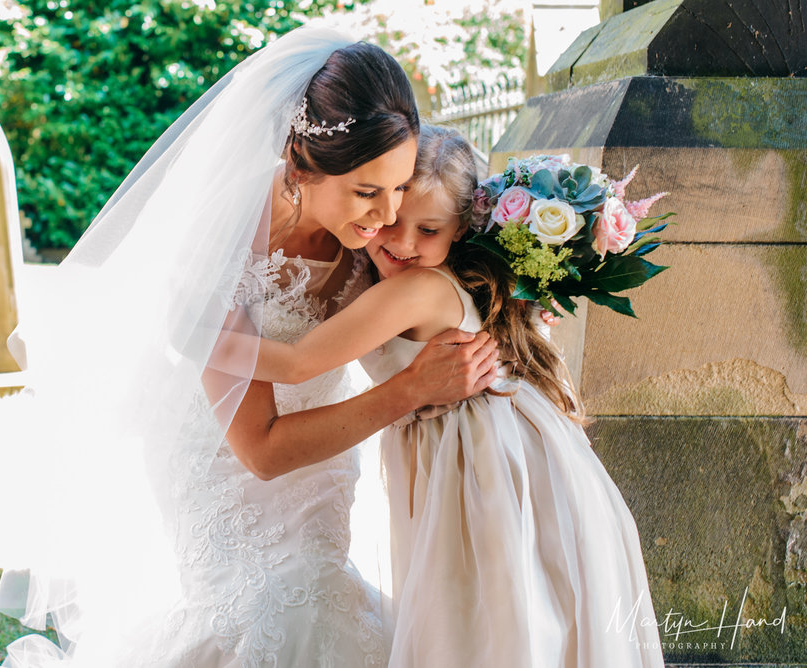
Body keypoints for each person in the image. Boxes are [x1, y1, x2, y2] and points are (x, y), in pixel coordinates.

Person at [0, 29, 498, 668]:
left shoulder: (392, 228)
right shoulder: (220, 239)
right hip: (223, 456)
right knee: (274, 610)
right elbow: (262, 451)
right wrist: (409, 391)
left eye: (399, 185)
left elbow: (455, 291)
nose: (388, 216)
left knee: (318, 602)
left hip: (325, 457)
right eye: (366, 192)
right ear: (301, 164)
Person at [244, 125, 666, 667]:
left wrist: (197, 337)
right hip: (490, 448)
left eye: (429, 229)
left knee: (485, 616)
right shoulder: (443, 274)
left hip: (479, 463)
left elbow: (299, 362)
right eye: (392, 223)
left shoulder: (415, 288)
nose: (403, 244)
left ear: (462, 226)